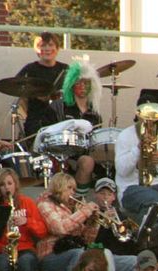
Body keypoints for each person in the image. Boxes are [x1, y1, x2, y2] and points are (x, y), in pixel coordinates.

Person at [40, 60, 102, 197]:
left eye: (86, 83)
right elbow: (46, 134)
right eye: (79, 83)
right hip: (58, 153)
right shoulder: (58, 106)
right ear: (71, 85)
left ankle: (78, 199)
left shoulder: (95, 113)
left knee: (88, 161)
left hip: (83, 156)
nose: (83, 86)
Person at [0, 168, 48, 271]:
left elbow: (42, 231)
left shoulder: (27, 202)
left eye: (9, 183)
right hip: (1, 250)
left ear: (15, 184)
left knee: (26, 263)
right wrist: (0, 248)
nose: (7, 188)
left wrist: (27, 221)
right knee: (1, 265)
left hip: (25, 249)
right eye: (2, 185)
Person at [36, 172, 99, 271]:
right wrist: (84, 212)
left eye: (74, 189)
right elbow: (60, 228)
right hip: (50, 256)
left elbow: (88, 240)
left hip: (71, 251)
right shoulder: (45, 204)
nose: (72, 192)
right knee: (79, 254)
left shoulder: (69, 209)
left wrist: (92, 223)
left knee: (102, 255)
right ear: (58, 187)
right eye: (69, 188)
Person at [16, 32, 68, 137]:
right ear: (37, 50)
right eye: (43, 45)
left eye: (51, 45)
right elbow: (17, 88)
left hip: (61, 118)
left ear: (57, 48)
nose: (47, 48)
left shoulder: (65, 69)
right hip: (36, 119)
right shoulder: (30, 69)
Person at [90, 177, 137, 271]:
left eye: (109, 194)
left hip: (118, 257)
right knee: (107, 256)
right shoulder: (90, 214)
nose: (105, 197)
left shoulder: (121, 216)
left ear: (114, 197)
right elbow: (93, 241)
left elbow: (128, 241)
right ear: (95, 194)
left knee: (137, 262)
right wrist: (104, 221)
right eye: (102, 193)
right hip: (98, 257)